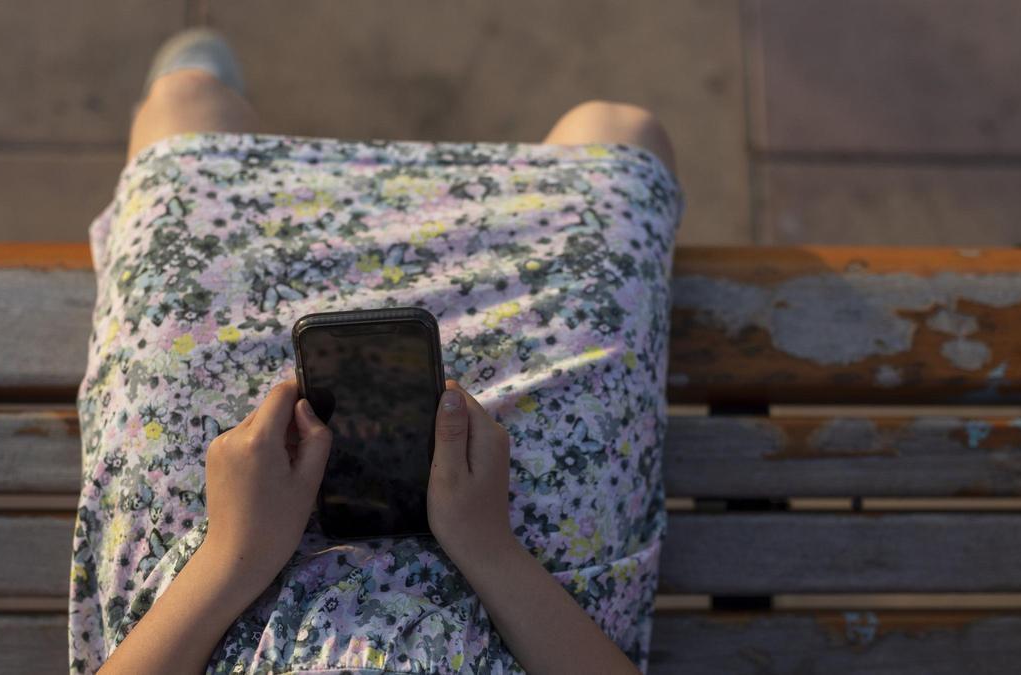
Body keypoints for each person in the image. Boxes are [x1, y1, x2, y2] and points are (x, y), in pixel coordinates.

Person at [69, 28, 681, 674]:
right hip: (516, 585)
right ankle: (198, 85)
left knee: (183, 109)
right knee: (620, 133)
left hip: (222, 581)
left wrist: (228, 555)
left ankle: (196, 83)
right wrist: (491, 549)